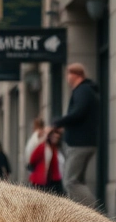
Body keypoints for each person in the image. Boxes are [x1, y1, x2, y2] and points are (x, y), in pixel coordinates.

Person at [54, 63, 99, 207]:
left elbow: (78, 113)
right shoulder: (87, 90)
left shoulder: (82, 90)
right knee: (77, 181)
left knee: (70, 181)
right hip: (84, 142)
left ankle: (92, 212)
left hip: (79, 144)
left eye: (69, 74)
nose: (67, 78)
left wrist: (59, 122)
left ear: (76, 75)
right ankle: (84, 212)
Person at [28, 128, 65, 195]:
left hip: (54, 178)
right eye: (54, 136)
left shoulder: (56, 148)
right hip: (42, 179)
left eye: (57, 136)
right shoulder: (42, 147)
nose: (56, 138)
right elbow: (33, 159)